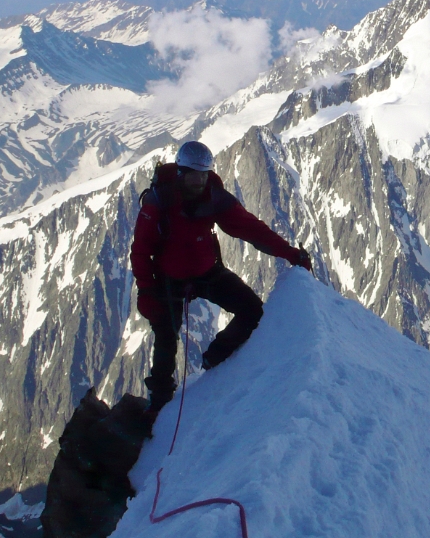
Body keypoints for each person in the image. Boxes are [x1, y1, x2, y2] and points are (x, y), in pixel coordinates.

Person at [130, 140, 312, 414]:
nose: (199, 181)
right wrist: (146, 291)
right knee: (166, 338)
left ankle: (213, 361)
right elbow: (140, 251)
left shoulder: (212, 197)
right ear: (180, 172)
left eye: (203, 175)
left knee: (252, 311)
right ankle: (159, 403)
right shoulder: (159, 202)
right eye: (194, 175)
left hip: (203, 272)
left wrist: (289, 252)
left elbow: (251, 229)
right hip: (170, 279)